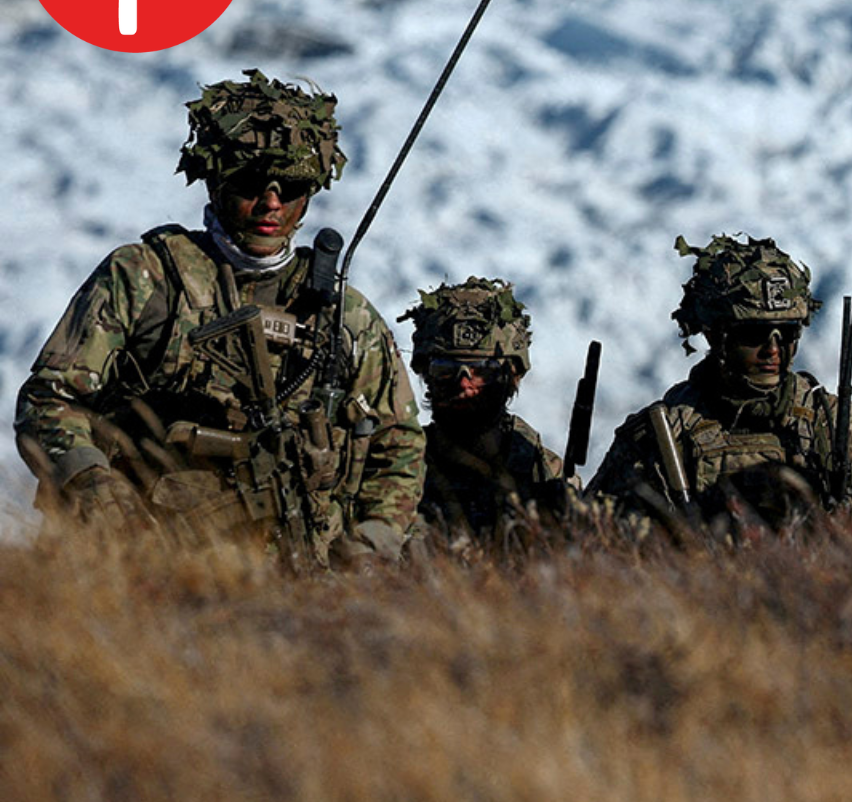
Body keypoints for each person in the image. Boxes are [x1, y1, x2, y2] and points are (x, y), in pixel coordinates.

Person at [14, 69, 423, 564]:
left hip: (299, 578)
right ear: (215, 181)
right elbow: (48, 399)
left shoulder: (344, 315)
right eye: (251, 183)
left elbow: (397, 443)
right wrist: (97, 490)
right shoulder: (148, 278)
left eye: (290, 186)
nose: (271, 203)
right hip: (137, 564)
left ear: (310, 193)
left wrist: (370, 543)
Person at [588, 234, 852, 534]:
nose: (773, 349)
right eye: (754, 334)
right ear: (716, 335)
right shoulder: (662, 438)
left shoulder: (841, 429)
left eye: (788, 332)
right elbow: (597, 548)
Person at [402, 276, 570, 545]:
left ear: (511, 377)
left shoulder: (540, 471)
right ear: (426, 375)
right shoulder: (398, 468)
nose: (464, 384)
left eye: (481, 371)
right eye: (446, 371)